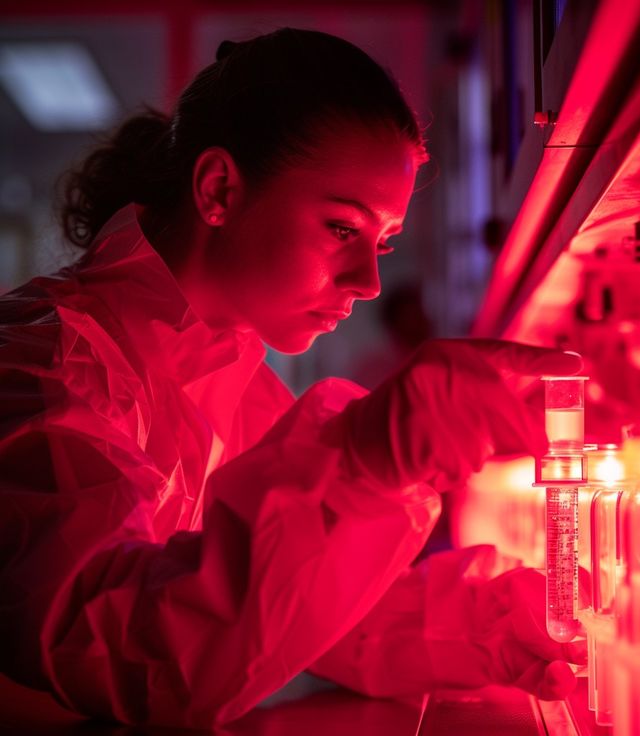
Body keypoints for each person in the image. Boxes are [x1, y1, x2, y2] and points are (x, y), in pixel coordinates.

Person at [0, 28, 584, 729]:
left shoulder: (227, 378)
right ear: (219, 190)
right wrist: (359, 463)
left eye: (383, 243)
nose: (369, 282)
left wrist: (483, 626)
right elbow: (129, 653)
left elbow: (298, 609)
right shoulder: (41, 368)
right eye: (342, 229)